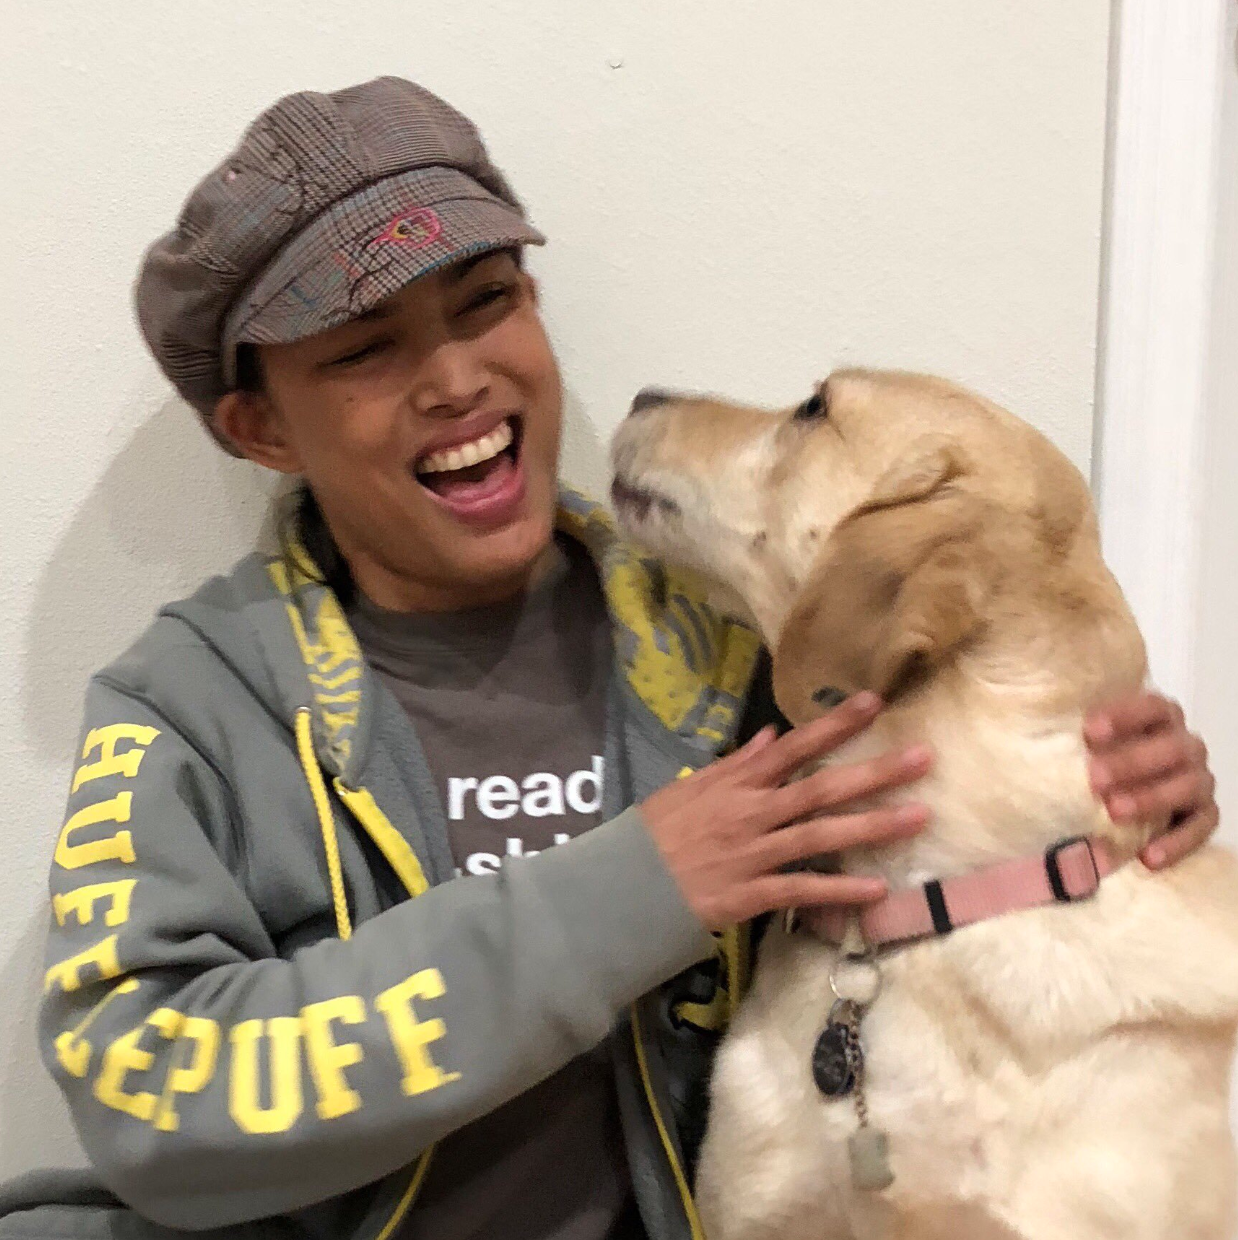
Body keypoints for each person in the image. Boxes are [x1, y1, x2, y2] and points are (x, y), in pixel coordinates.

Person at [0, 76, 1217, 1240]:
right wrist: (630, 896)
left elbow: (965, 826)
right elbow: (147, 1098)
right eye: (365, 349)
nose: (458, 376)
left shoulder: (729, 645)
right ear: (260, 425)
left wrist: (1110, 791)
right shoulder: (192, 708)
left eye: (486, 299)